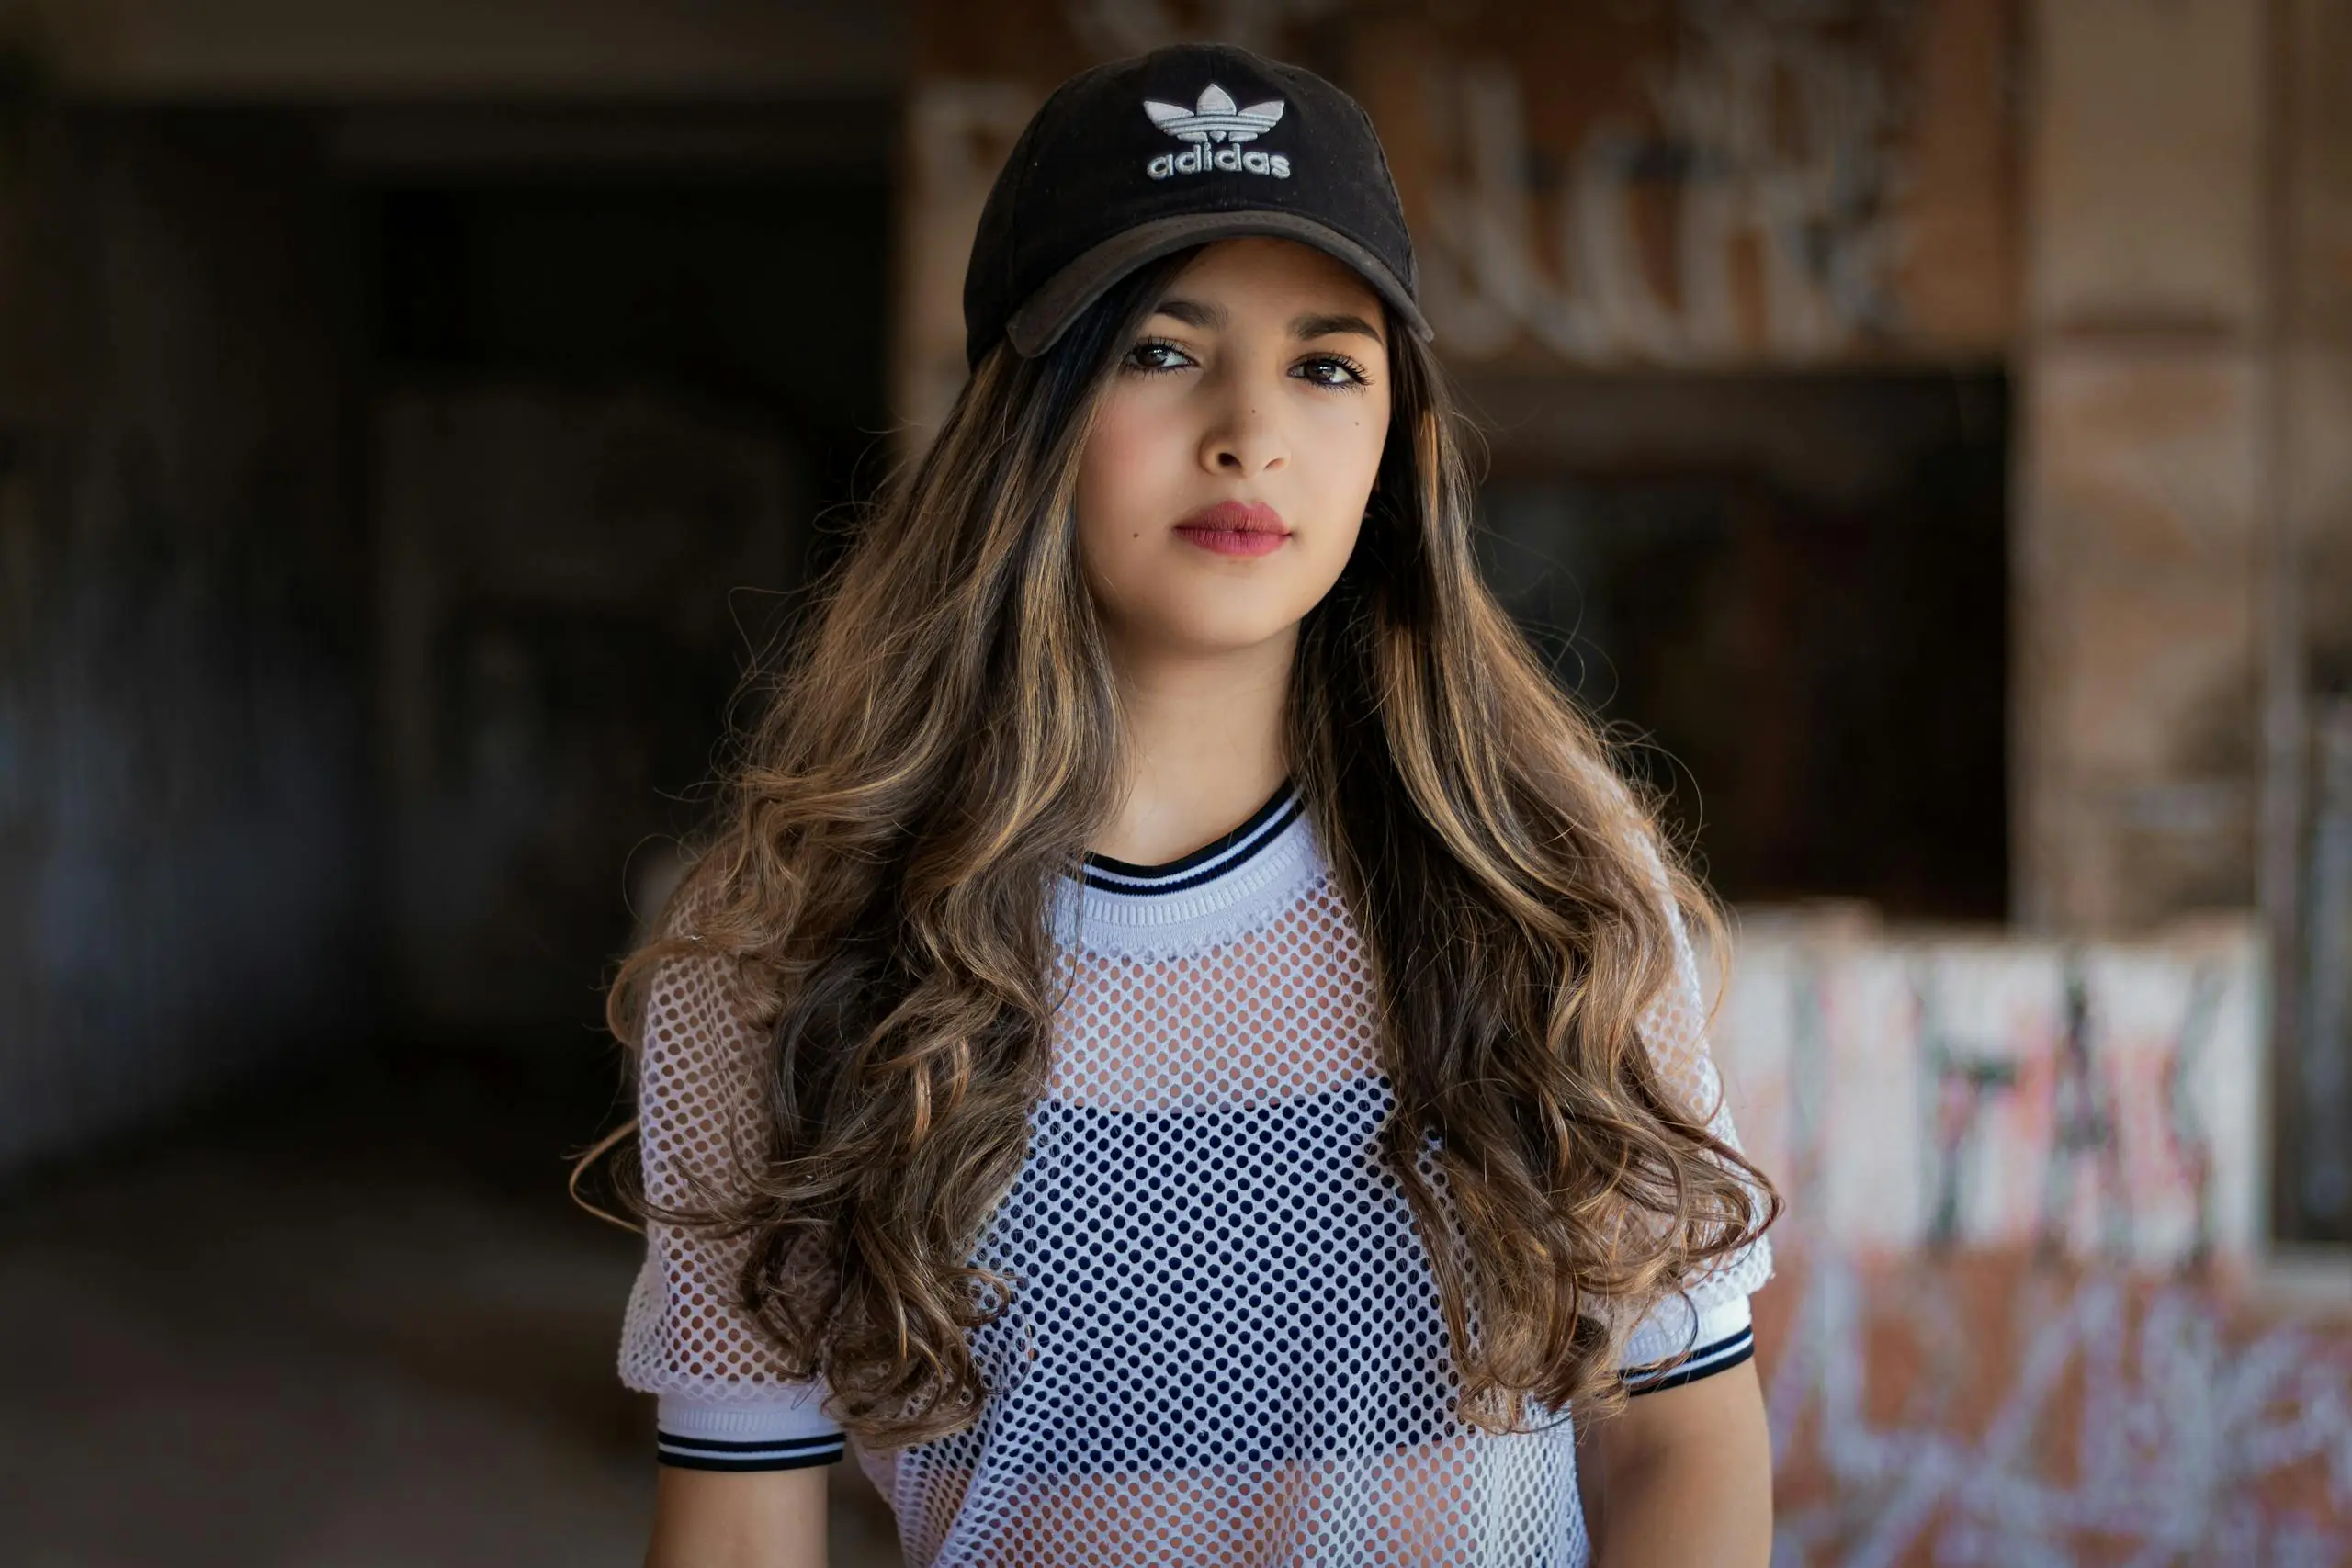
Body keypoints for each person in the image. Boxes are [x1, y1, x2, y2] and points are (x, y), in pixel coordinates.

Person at [602, 40, 1780, 1568]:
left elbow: (1685, 1435)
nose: (1250, 429)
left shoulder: (1551, 892)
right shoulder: (780, 949)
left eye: (1326, 362)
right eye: (1161, 349)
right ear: (1020, 423)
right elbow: (740, 1529)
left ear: (1392, 443)